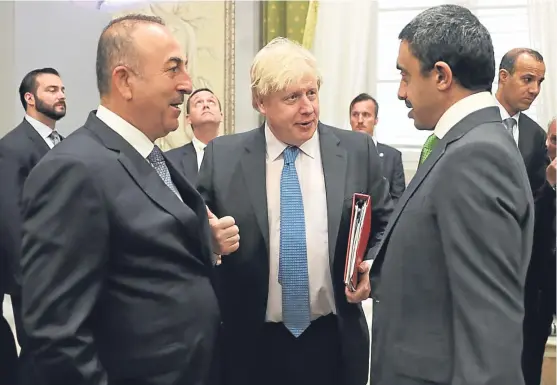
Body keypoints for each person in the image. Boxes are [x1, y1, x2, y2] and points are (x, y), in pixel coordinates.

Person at [20, 14, 238, 385]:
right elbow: (56, 334)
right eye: (173, 69)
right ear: (125, 81)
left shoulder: (151, 157)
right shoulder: (74, 170)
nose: (187, 84)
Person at [197, 37, 393, 385]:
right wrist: (210, 243)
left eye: (312, 93)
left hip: (333, 340)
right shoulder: (222, 158)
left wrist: (372, 266)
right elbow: (195, 237)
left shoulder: (356, 151)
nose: (308, 108)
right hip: (251, 347)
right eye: (292, 97)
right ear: (260, 101)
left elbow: (386, 223)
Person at [369, 5, 534, 385]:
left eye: (405, 76)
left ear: (441, 75)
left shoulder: (476, 157)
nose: (400, 92)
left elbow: (489, 332)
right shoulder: (463, 144)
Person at [0, 67, 66, 384]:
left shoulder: (66, 144)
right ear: (30, 98)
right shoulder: (12, 147)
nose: (61, 95)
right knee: (38, 356)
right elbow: (11, 218)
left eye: (62, 89)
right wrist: (25, 279)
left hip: (70, 269)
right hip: (35, 274)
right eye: (52, 89)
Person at [522, 117, 556, 385]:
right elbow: (528, 220)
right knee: (530, 357)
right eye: (554, 140)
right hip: (539, 283)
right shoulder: (537, 168)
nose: (553, 147)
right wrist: (551, 186)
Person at [495, 48, 547, 196]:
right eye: (528, 79)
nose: (535, 90)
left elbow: (536, 195)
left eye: (540, 82)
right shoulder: (473, 120)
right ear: (504, 76)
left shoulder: (536, 135)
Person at [349, 93, 406, 202]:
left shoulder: (393, 157)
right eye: (355, 114)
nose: (360, 120)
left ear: (376, 120)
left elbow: (398, 201)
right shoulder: (338, 153)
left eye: (366, 115)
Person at [166, 88, 222, 184]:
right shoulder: (170, 161)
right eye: (198, 102)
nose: (206, 105)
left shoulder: (239, 154)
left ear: (221, 116)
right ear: (188, 118)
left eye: (211, 101)